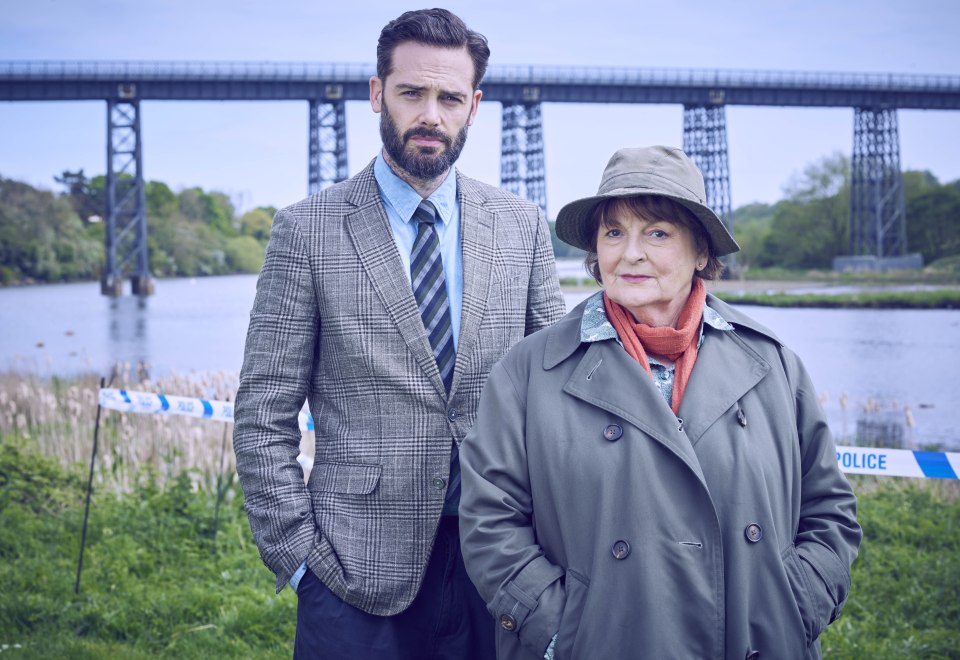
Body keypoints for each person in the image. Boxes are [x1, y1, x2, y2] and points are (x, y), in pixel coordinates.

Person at [232, 8, 565, 659]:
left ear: (474, 105)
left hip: (500, 563)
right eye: (412, 92)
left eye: (449, 97)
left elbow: (559, 388)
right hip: (352, 576)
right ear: (377, 92)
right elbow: (263, 409)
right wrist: (299, 560)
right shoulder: (307, 231)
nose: (430, 115)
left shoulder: (523, 226)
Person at [458, 146, 862, 659]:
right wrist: (562, 631)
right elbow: (489, 520)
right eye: (613, 232)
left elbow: (831, 510)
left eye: (657, 232)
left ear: (700, 251)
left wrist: (794, 605)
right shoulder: (528, 370)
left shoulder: (773, 363)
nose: (630, 253)